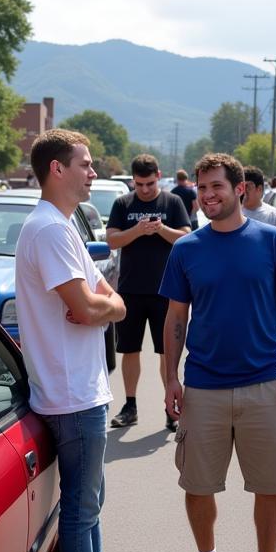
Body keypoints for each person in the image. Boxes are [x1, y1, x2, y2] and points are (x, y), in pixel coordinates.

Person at [14, 129, 160, 552]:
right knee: (80, 508)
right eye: (86, 163)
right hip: (71, 393)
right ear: (58, 169)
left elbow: (98, 296)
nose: (94, 172)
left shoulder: (62, 224)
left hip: (79, 387)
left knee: (88, 505)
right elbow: (86, 305)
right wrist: (112, 307)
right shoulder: (49, 229)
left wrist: (107, 303)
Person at [160, 152, 276, 552]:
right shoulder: (186, 249)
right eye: (202, 189)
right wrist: (171, 378)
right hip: (202, 386)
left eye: (216, 187)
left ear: (239, 189)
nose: (207, 196)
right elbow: (175, 318)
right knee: (198, 484)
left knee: (270, 486)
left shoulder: (271, 241)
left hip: (265, 384)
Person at [105, 154, 191, 432]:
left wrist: (161, 229)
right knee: (129, 350)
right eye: (139, 184)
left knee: (167, 351)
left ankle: (171, 407)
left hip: (166, 290)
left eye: (150, 183)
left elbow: (186, 237)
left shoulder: (172, 202)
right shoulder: (123, 203)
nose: (144, 190)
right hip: (130, 289)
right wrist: (138, 230)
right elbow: (112, 240)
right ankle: (130, 405)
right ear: (133, 180)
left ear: (159, 176)